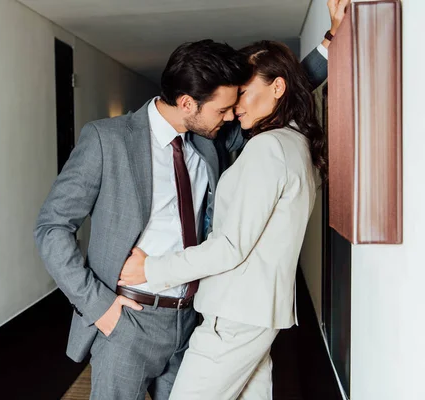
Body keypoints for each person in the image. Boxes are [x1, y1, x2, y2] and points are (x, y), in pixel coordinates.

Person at [35, 3, 343, 396]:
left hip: (191, 320)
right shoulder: (107, 141)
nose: (232, 116)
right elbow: (51, 228)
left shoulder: (209, 140)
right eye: (223, 108)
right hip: (127, 320)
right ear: (187, 104)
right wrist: (100, 307)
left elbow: (281, 92)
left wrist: (330, 43)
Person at [118, 40, 328, 400]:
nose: (234, 109)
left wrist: (150, 269)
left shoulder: (268, 148)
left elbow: (229, 247)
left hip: (234, 315)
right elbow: (292, 80)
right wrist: (328, 43)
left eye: (243, 93)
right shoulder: (295, 143)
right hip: (259, 313)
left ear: (277, 88)